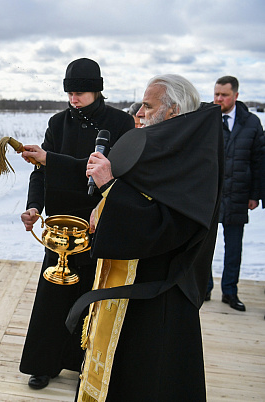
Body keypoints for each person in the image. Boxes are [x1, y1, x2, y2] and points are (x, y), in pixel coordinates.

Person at [71, 74, 222, 401]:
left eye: (148, 105)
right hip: (127, 288)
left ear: (172, 111)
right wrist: (104, 206)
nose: (138, 111)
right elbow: (137, 201)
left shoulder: (191, 159)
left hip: (157, 298)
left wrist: (110, 186)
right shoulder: (161, 147)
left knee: (148, 382)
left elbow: (168, 229)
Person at [17, 58, 135, 390]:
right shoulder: (57, 123)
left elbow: (109, 170)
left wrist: (49, 158)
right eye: (69, 92)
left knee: (93, 296)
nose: (73, 99)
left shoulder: (122, 123)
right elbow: (40, 172)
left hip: (101, 222)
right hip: (60, 228)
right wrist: (33, 207)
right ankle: (44, 364)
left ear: (97, 90)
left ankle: (90, 366)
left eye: (80, 92)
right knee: (52, 300)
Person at [206, 76, 264, 311]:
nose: (219, 99)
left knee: (234, 248)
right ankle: (204, 288)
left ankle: (230, 292)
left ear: (236, 96)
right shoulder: (206, 120)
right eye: (216, 93)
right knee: (205, 245)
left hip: (239, 193)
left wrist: (255, 194)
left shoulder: (252, 123)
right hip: (209, 194)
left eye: (224, 95)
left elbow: (259, 160)